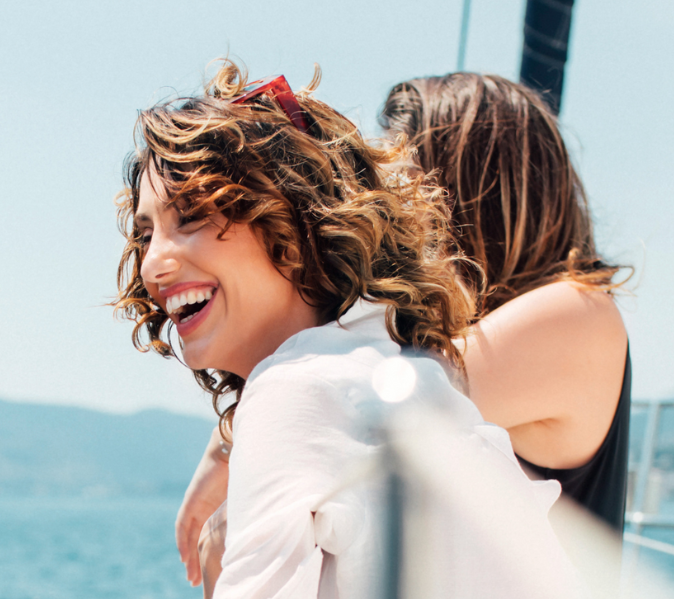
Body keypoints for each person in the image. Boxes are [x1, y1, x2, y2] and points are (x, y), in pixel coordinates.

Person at [114, 61, 583, 598]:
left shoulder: (294, 390)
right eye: (146, 234)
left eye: (191, 216)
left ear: (295, 222)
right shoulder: (409, 370)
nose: (153, 264)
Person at [379, 72, 631, 531]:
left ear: (471, 192)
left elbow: (363, 413)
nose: (386, 214)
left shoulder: (580, 314)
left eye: (403, 188)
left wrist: (225, 443)